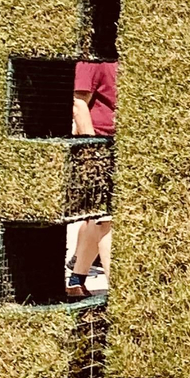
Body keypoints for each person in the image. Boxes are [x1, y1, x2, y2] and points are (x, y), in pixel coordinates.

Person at [69, 46, 119, 296]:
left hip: (122, 144)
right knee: (108, 220)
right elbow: (79, 103)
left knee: (96, 218)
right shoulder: (92, 60)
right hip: (101, 145)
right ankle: (120, 294)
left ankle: (76, 281)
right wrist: (92, 151)